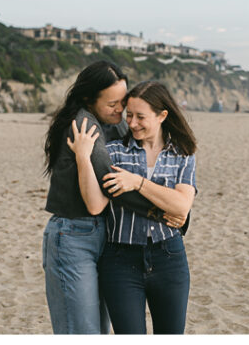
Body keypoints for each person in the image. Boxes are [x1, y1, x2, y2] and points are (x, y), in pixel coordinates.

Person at [42, 60, 175, 334]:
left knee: (98, 330)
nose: (120, 109)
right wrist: (162, 212)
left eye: (122, 102)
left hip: (100, 236)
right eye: (112, 103)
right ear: (89, 99)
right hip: (73, 237)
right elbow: (112, 184)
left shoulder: (110, 123)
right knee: (81, 332)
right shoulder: (84, 126)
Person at [70, 80, 197, 335]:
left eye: (140, 116)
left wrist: (137, 183)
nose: (132, 123)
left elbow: (181, 207)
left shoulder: (183, 153)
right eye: (129, 115)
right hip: (120, 261)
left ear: (162, 115)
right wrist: (83, 157)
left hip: (169, 259)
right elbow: (96, 204)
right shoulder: (114, 152)